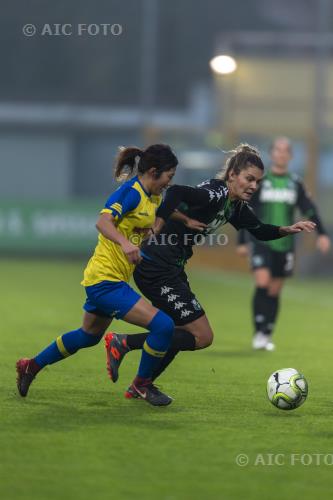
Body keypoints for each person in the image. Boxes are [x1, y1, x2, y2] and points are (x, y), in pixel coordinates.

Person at [104, 144, 316, 397]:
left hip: (170, 268)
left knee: (178, 329)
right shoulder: (215, 193)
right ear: (232, 175)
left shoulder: (233, 206)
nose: (253, 186)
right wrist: (159, 222)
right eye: (249, 179)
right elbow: (177, 192)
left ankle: (141, 384)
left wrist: (287, 229)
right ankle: (124, 343)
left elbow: (259, 229)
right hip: (156, 267)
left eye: (258, 182)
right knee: (202, 336)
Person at [16, 143, 182, 407]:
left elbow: (139, 224)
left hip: (109, 280)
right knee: (163, 325)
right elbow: (102, 222)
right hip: (106, 281)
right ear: (153, 171)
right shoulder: (130, 192)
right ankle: (141, 384)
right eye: (168, 177)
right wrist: (125, 244)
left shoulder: (154, 197)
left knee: (88, 335)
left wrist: (146, 234)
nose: (168, 183)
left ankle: (30, 366)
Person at [236, 137, 330, 351]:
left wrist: (322, 234)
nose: (281, 154)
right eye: (277, 150)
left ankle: (267, 332)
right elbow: (243, 209)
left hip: (285, 243)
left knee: (275, 290)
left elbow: (309, 209)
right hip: (260, 239)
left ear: (290, 156)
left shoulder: (295, 183)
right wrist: (242, 240)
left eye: (285, 150)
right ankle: (259, 331)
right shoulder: (260, 180)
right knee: (262, 282)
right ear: (272, 154)